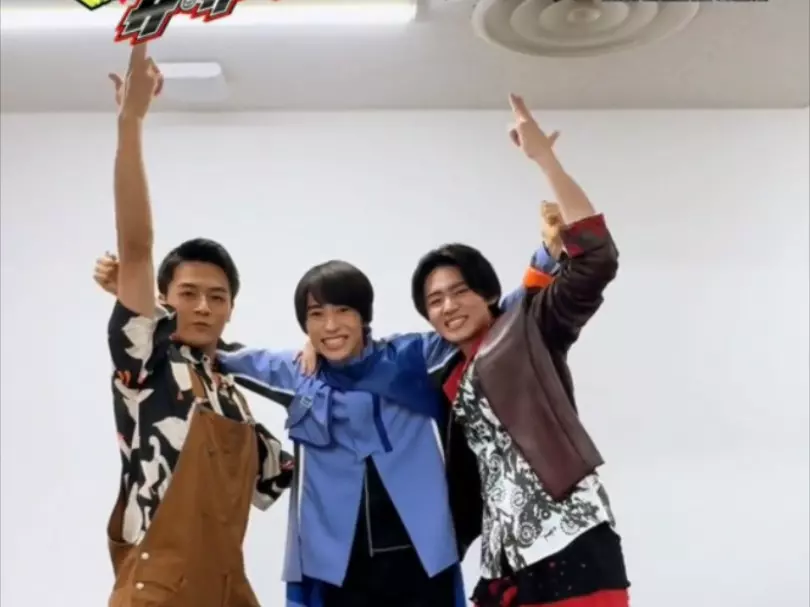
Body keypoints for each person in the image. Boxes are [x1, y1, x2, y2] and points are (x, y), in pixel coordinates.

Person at [409, 94, 630, 607]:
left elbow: (596, 259)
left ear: (489, 293)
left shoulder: (531, 328)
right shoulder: (446, 374)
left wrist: (546, 161)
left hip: (571, 543)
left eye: (460, 291)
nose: (448, 306)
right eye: (435, 300)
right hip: (502, 563)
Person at [102, 44, 293, 607]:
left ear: (232, 308)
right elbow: (136, 249)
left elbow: (280, 478)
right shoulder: (147, 362)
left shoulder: (232, 390)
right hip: (158, 589)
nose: (204, 306)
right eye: (189, 294)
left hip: (229, 589)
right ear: (165, 300)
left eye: (217, 296)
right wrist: (131, 122)